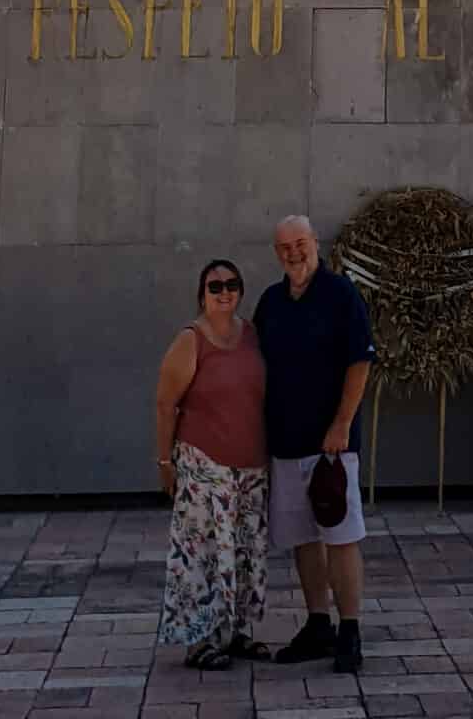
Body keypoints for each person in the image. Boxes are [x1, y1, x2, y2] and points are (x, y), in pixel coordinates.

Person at [252, 213, 376, 674]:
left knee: (341, 537)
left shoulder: (341, 295)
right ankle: (318, 624)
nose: (294, 253)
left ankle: (350, 629)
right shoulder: (271, 302)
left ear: (314, 243)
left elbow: (360, 363)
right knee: (304, 540)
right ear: (277, 252)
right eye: (285, 246)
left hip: (331, 446)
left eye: (300, 243)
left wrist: (342, 424)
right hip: (286, 443)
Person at [152, 259, 270, 670]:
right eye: (214, 285)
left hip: (251, 467)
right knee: (201, 554)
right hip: (204, 465)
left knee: (243, 551)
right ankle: (198, 640)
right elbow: (166, 404)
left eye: (231, 284)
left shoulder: (253, 335)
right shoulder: (191, 339)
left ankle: (235, 632)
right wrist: (165, 461)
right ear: (202, 293)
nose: (224, 291)